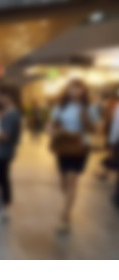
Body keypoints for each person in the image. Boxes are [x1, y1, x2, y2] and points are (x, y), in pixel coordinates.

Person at [48, 79, 100, 232]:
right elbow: (51, 124)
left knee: (72, 180)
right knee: (63, 182)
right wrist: (52, 130)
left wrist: (86, 121)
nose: (75, 92)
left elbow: (96, 128)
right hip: (63, 147)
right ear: (68, 90)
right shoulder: (61, 106)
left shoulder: (89, 107)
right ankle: (68, 204)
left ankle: (65, 216)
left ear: (84, 91)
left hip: (80, 147)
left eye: (79, 89)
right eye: (72, 89)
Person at [0, 85, 22, 220]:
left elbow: (6, 135)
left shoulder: (11, 114)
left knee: (1, 179)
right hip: (3, 150)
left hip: (2, 151)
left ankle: (4, 207)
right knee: (1, 179)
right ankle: (2, 206)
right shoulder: (10, 112)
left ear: (7, 97)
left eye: (0, 95)